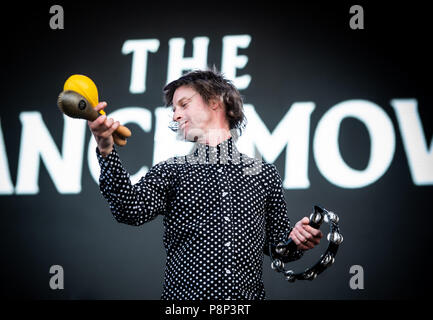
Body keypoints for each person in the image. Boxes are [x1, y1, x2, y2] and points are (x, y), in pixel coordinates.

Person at [88, 69, 323, 300]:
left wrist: (297, 240)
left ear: (214, 101)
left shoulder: (263, 173)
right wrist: (106, 149)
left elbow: (280, 250)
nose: (175, 115)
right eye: (173, 109)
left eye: (184, 104)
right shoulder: (173, 170)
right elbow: (129, 210)